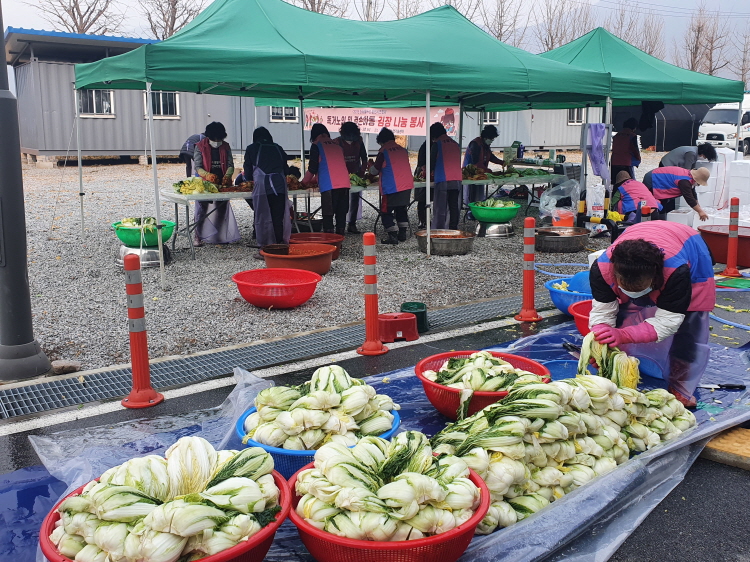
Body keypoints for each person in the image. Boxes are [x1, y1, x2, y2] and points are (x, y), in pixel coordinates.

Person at [589, 221, 716, 407]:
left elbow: (670, 320)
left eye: (641, 288)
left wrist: (623, 335)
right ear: (615, 273)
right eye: (625, 288)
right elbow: (604, 310)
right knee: (621, 317)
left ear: (656, 277)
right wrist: (600, 343)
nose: (633, 292)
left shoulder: (677, 271)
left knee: (689, 328)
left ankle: (681, 387)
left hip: (688, 243)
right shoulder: (601, 269)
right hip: (642, 235)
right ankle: (620, 368)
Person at [243, 127, 292, 257]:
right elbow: (286, 170)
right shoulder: (278, 148)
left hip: (263, 187)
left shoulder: (251, 148)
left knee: (263, 217)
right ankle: (280, 246)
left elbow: (248, 172)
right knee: (278, 217)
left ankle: (265, 247)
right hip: (280, 185)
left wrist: (248, 179)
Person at [193, 122, 240, 245]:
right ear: (209, 136)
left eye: (220, 138)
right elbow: (197, 167)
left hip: (222, 183)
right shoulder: (199, 146)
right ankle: (198, 236)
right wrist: (207, 175)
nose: (217, 141)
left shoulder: (225, 146)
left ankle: (219, 236)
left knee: (221, 209)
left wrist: (228, 175)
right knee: (202, 210)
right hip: (205, 183)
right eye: (215, 139)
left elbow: (230, 164)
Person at [368, 127, 414, 245]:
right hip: (406, 185)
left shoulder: (384, 151)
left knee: (386, 211)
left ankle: (392, 235)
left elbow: (374, 171)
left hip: (392, 186)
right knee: (401, 209)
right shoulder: (402, 150)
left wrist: (370, 167)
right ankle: (402, 233)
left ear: (381, 141)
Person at [304, 124, 351, 234]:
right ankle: (340, 240)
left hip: (329, 185)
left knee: (328, 215)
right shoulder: (337, 145)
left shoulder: (316, 145)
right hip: (344, 183)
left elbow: (312, 168)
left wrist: (304, 182)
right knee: (341, 214)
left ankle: (330, 241)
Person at [642, 166, 710, 221]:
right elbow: (689, 198)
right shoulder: (685, 181)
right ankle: (646, 222)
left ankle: (661, 222)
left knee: (663, 203)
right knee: (651, 203)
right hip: (653, 179)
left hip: (660, 178)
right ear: (696, 179)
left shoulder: (689, 177)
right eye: (699, 183)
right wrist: (700, 211)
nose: (698, 185)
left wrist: (699, 208)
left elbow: (693, 193)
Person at [335, 122, 368, 234]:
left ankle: (352, 224)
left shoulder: (359, 141)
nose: (350, 140)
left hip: (356, 174)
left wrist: (362, 172)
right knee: (341, 201)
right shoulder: (337, 142)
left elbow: (364, 158)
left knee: (355, 199)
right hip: (340, 176)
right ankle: (340, 226)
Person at [429, 122, 463, 230]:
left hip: (443, 178)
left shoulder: (437, 144)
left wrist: (427, 171)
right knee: (453, 206)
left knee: (440, 207)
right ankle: (453, 228)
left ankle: (439, 229)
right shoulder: (455, 143)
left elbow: (431, 162)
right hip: (457, 178)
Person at [463, 124, 505, 208]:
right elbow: (476, 163)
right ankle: (470, 211)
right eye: (491, 138)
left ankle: (477, 209)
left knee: (479, 195)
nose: (492, 140)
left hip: (480, 174)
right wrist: (489, 171)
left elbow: (491, 156)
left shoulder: (485, 145)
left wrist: (502, 162)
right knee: (471, 194)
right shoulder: (475, 144)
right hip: (470, 175)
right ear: (486, 137)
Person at [610, 117, 641, 182]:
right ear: (634, 127)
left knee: (615, 182)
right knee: (629, 182)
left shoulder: (617, 135)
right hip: (626, 162)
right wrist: (638, 159)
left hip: (614, 161)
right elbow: (635, 149)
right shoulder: (632, 136)